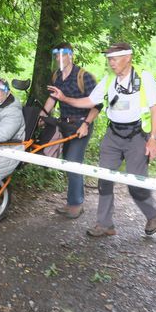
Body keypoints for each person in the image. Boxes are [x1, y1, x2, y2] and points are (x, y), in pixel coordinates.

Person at [47, 42, 156, 237]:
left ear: (128, 58)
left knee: (135, 184)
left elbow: (155, 108)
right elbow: (90, 101)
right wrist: (65, 99)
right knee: (105, 180)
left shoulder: (144, 77)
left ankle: (153, 212)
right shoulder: (109, 79)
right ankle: (105, 224)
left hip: (137, 136)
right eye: (108, 59)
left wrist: (153, 139)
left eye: (114, 58)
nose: (111, 63)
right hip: (113, 135)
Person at [40, 43, 101, 219]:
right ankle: (72, 201)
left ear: (71, 55)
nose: (59, 58)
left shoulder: (85, 76)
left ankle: (76, 204)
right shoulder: (56, 76)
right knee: (68, 162)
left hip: (82, 124)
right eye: (56, 55)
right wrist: (41, 117)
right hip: (65, 125)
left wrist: (86, 124)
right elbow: (52, 100)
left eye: (63, 54)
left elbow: (97, 105)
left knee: (73, 161)